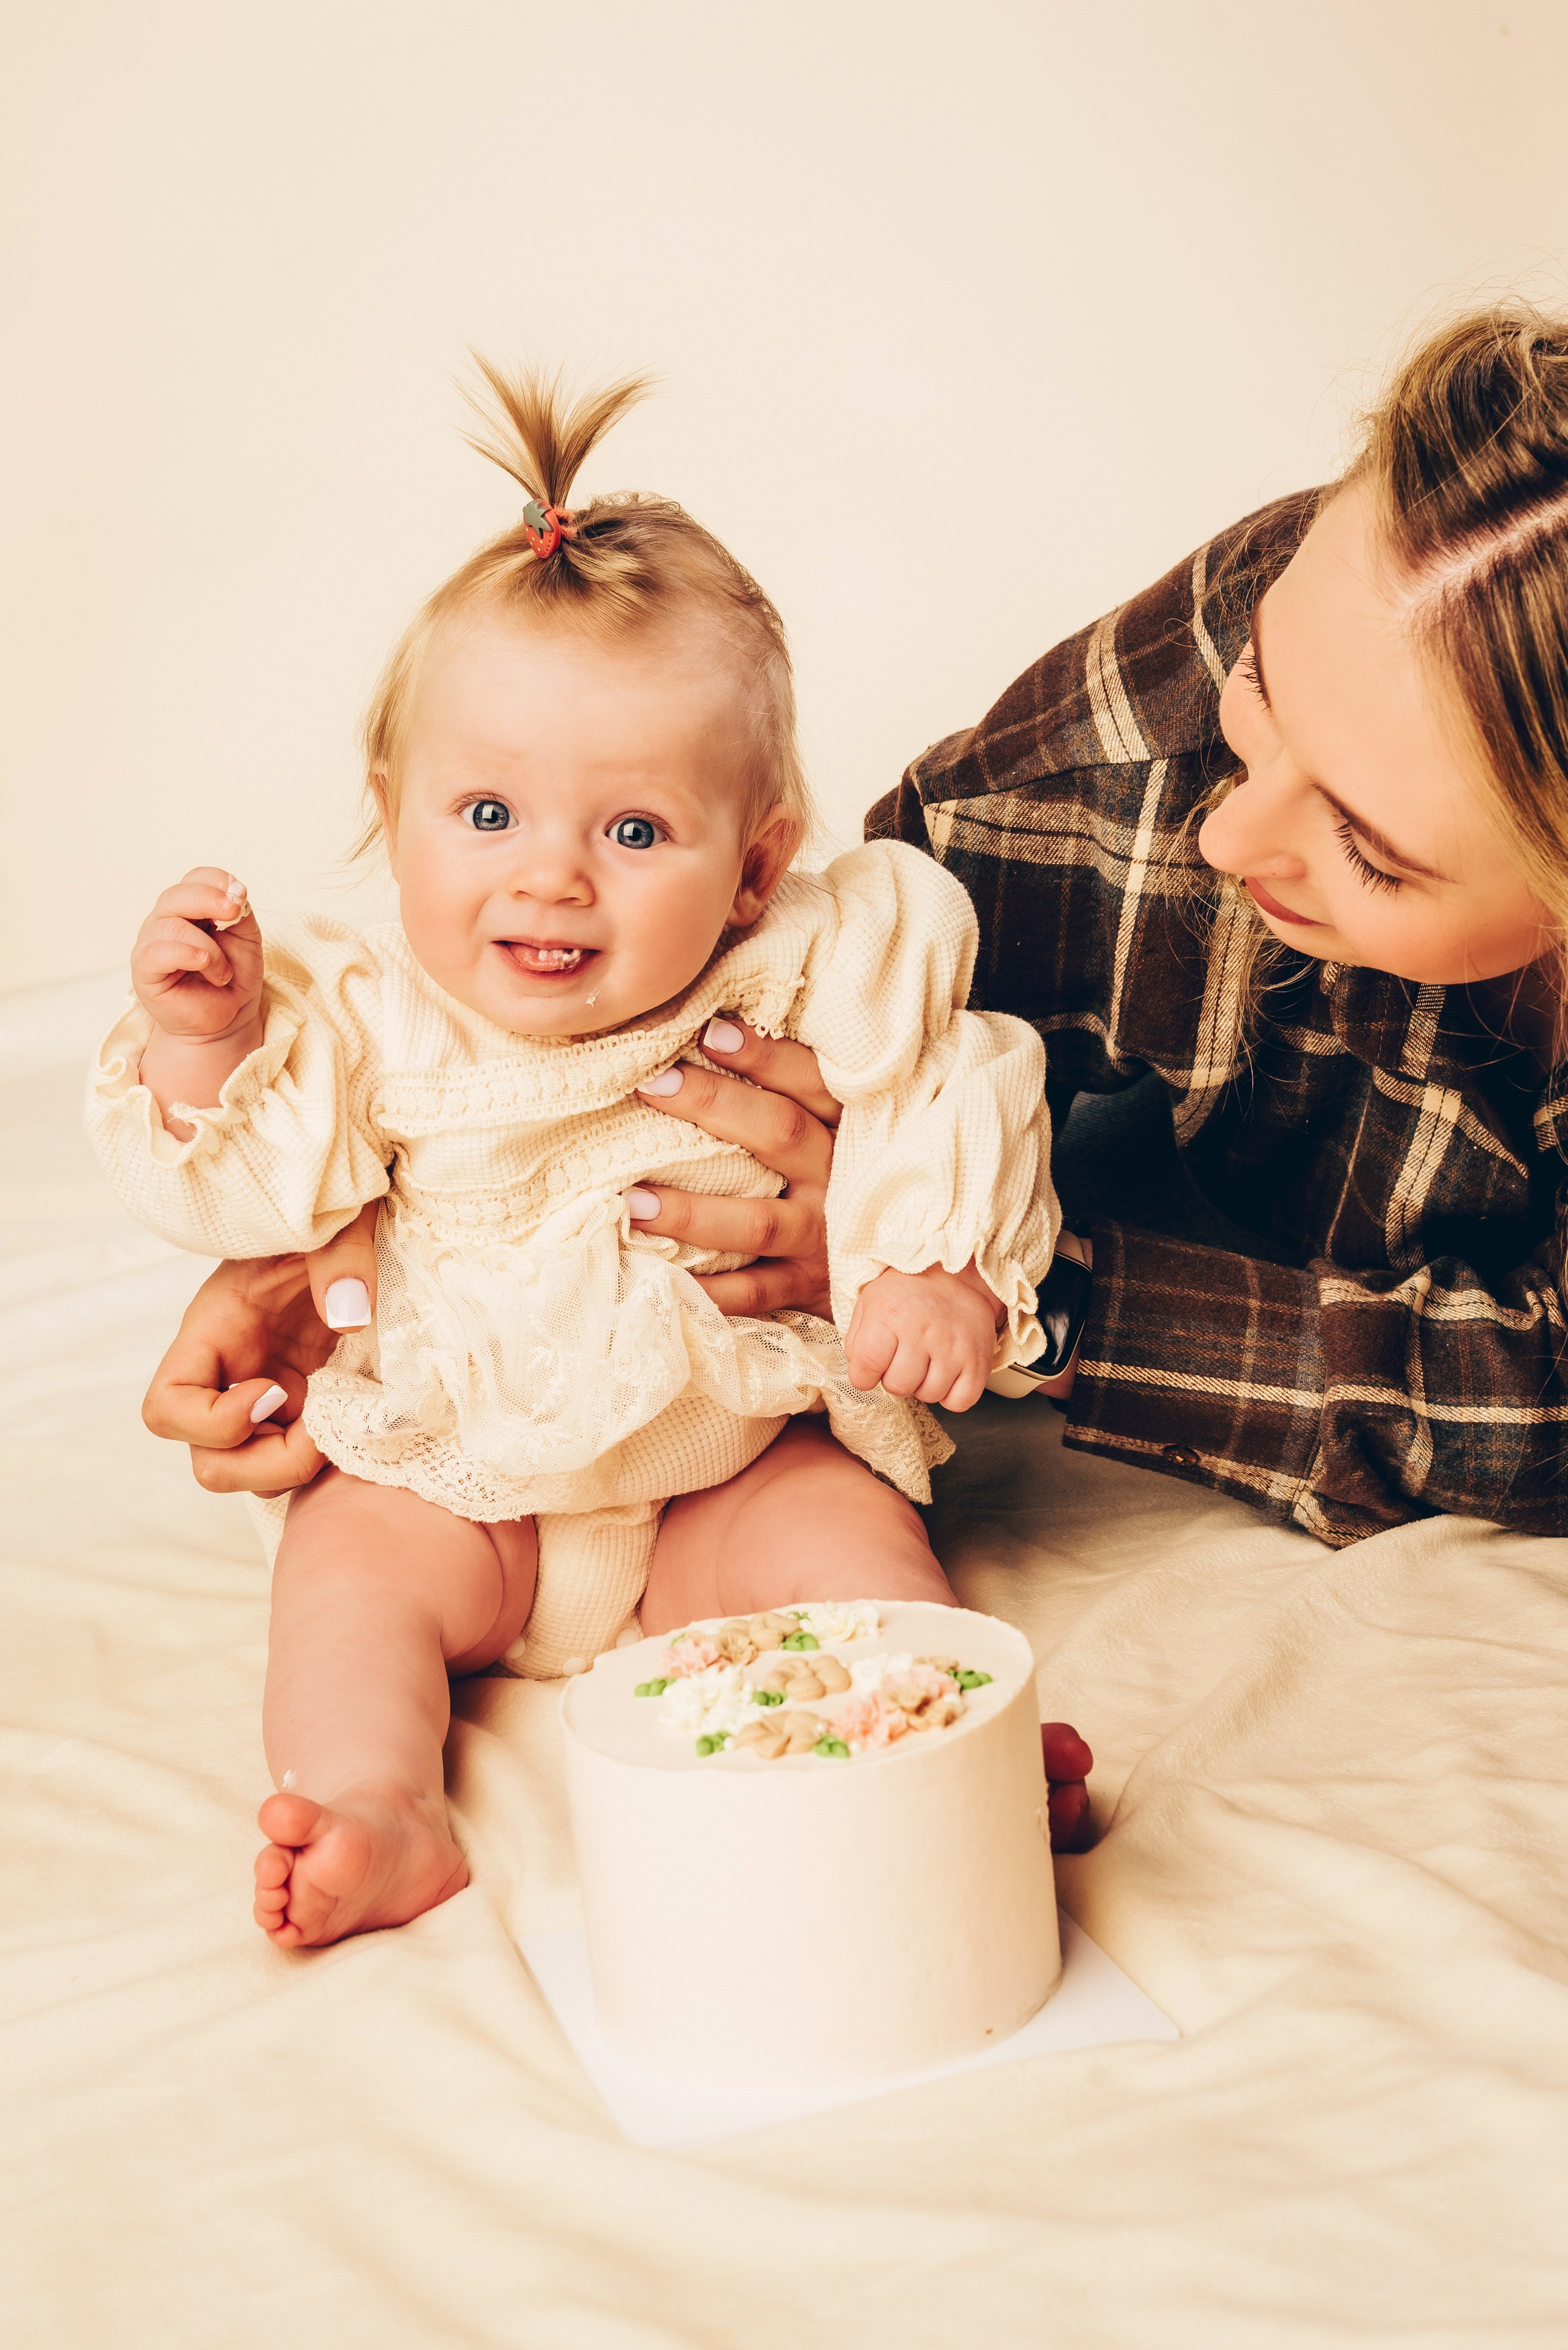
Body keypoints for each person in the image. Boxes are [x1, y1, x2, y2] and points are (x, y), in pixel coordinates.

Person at [91, 367, 1071, 1950]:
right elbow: (249, 1184)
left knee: (846, 1546)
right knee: (345, 1579)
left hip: (722, 1453)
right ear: (393, 816)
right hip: (453, 1471)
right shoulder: (362, 1010)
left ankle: (945, 1757)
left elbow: (946, 1075)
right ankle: (375, 1800)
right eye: (485, 811)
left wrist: (935, 1255)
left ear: (753, 870)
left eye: (631, 832)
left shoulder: (808, 968)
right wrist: (203, 1043)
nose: (548, 877)